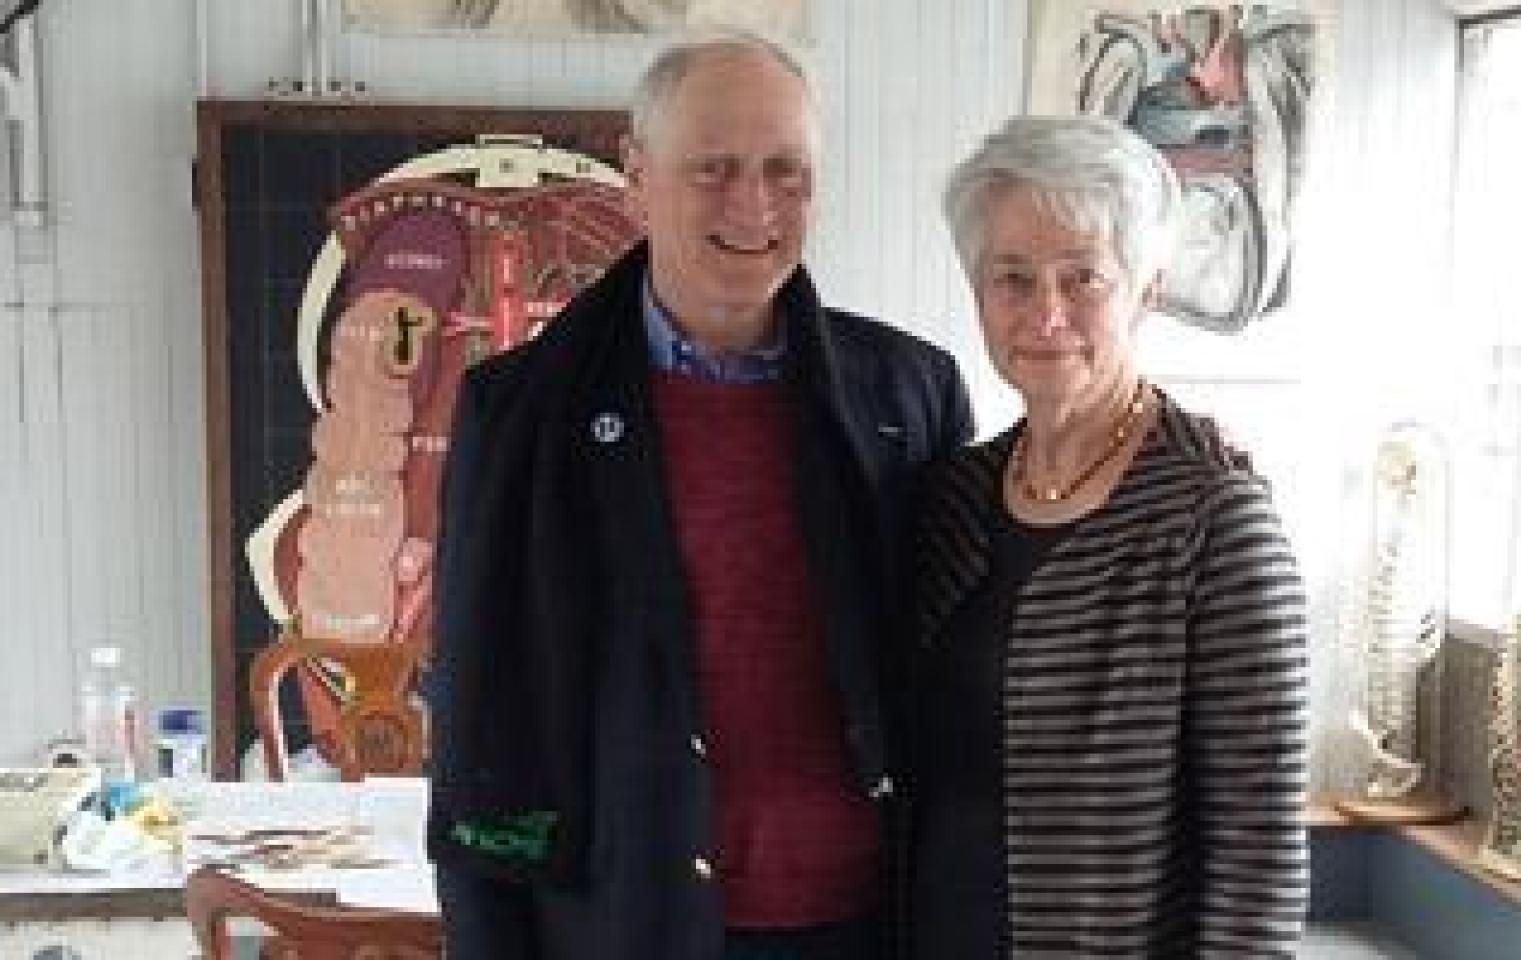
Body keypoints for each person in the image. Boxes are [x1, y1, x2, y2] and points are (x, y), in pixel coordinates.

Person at [426, 28, 974, 959]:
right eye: (714, 169)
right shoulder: (519, 411)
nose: (754, 205)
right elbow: (482, 709)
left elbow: (987, 618)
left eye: (786, 171)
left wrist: (1158, 444)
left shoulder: (910, 392)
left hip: (869, 925)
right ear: (635, 180)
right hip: (623, 924)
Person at [910, 114, 1309, 958]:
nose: (1045, 313)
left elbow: (1260, 864)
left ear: (1147, 287)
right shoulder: (953, 498)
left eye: (1083, 277)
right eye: (1011, 276)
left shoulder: (1216, 524)